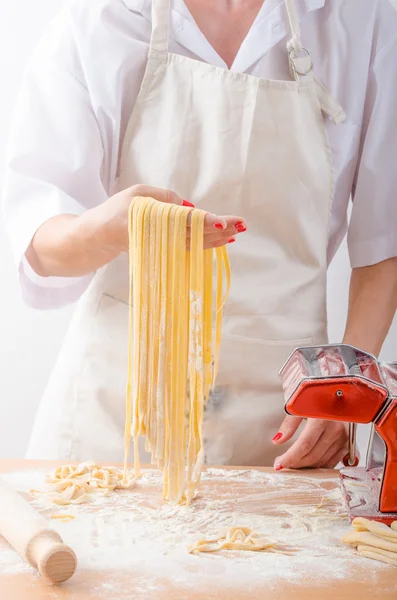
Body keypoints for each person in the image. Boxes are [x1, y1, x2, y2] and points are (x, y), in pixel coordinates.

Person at [3, 0, 397, 470]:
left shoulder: (362, 18)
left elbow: (384, 240)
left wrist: (347, 382)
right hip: (115, 416)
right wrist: (117, 230)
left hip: (288, 416)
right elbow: (41, 245)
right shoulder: (102, 20)